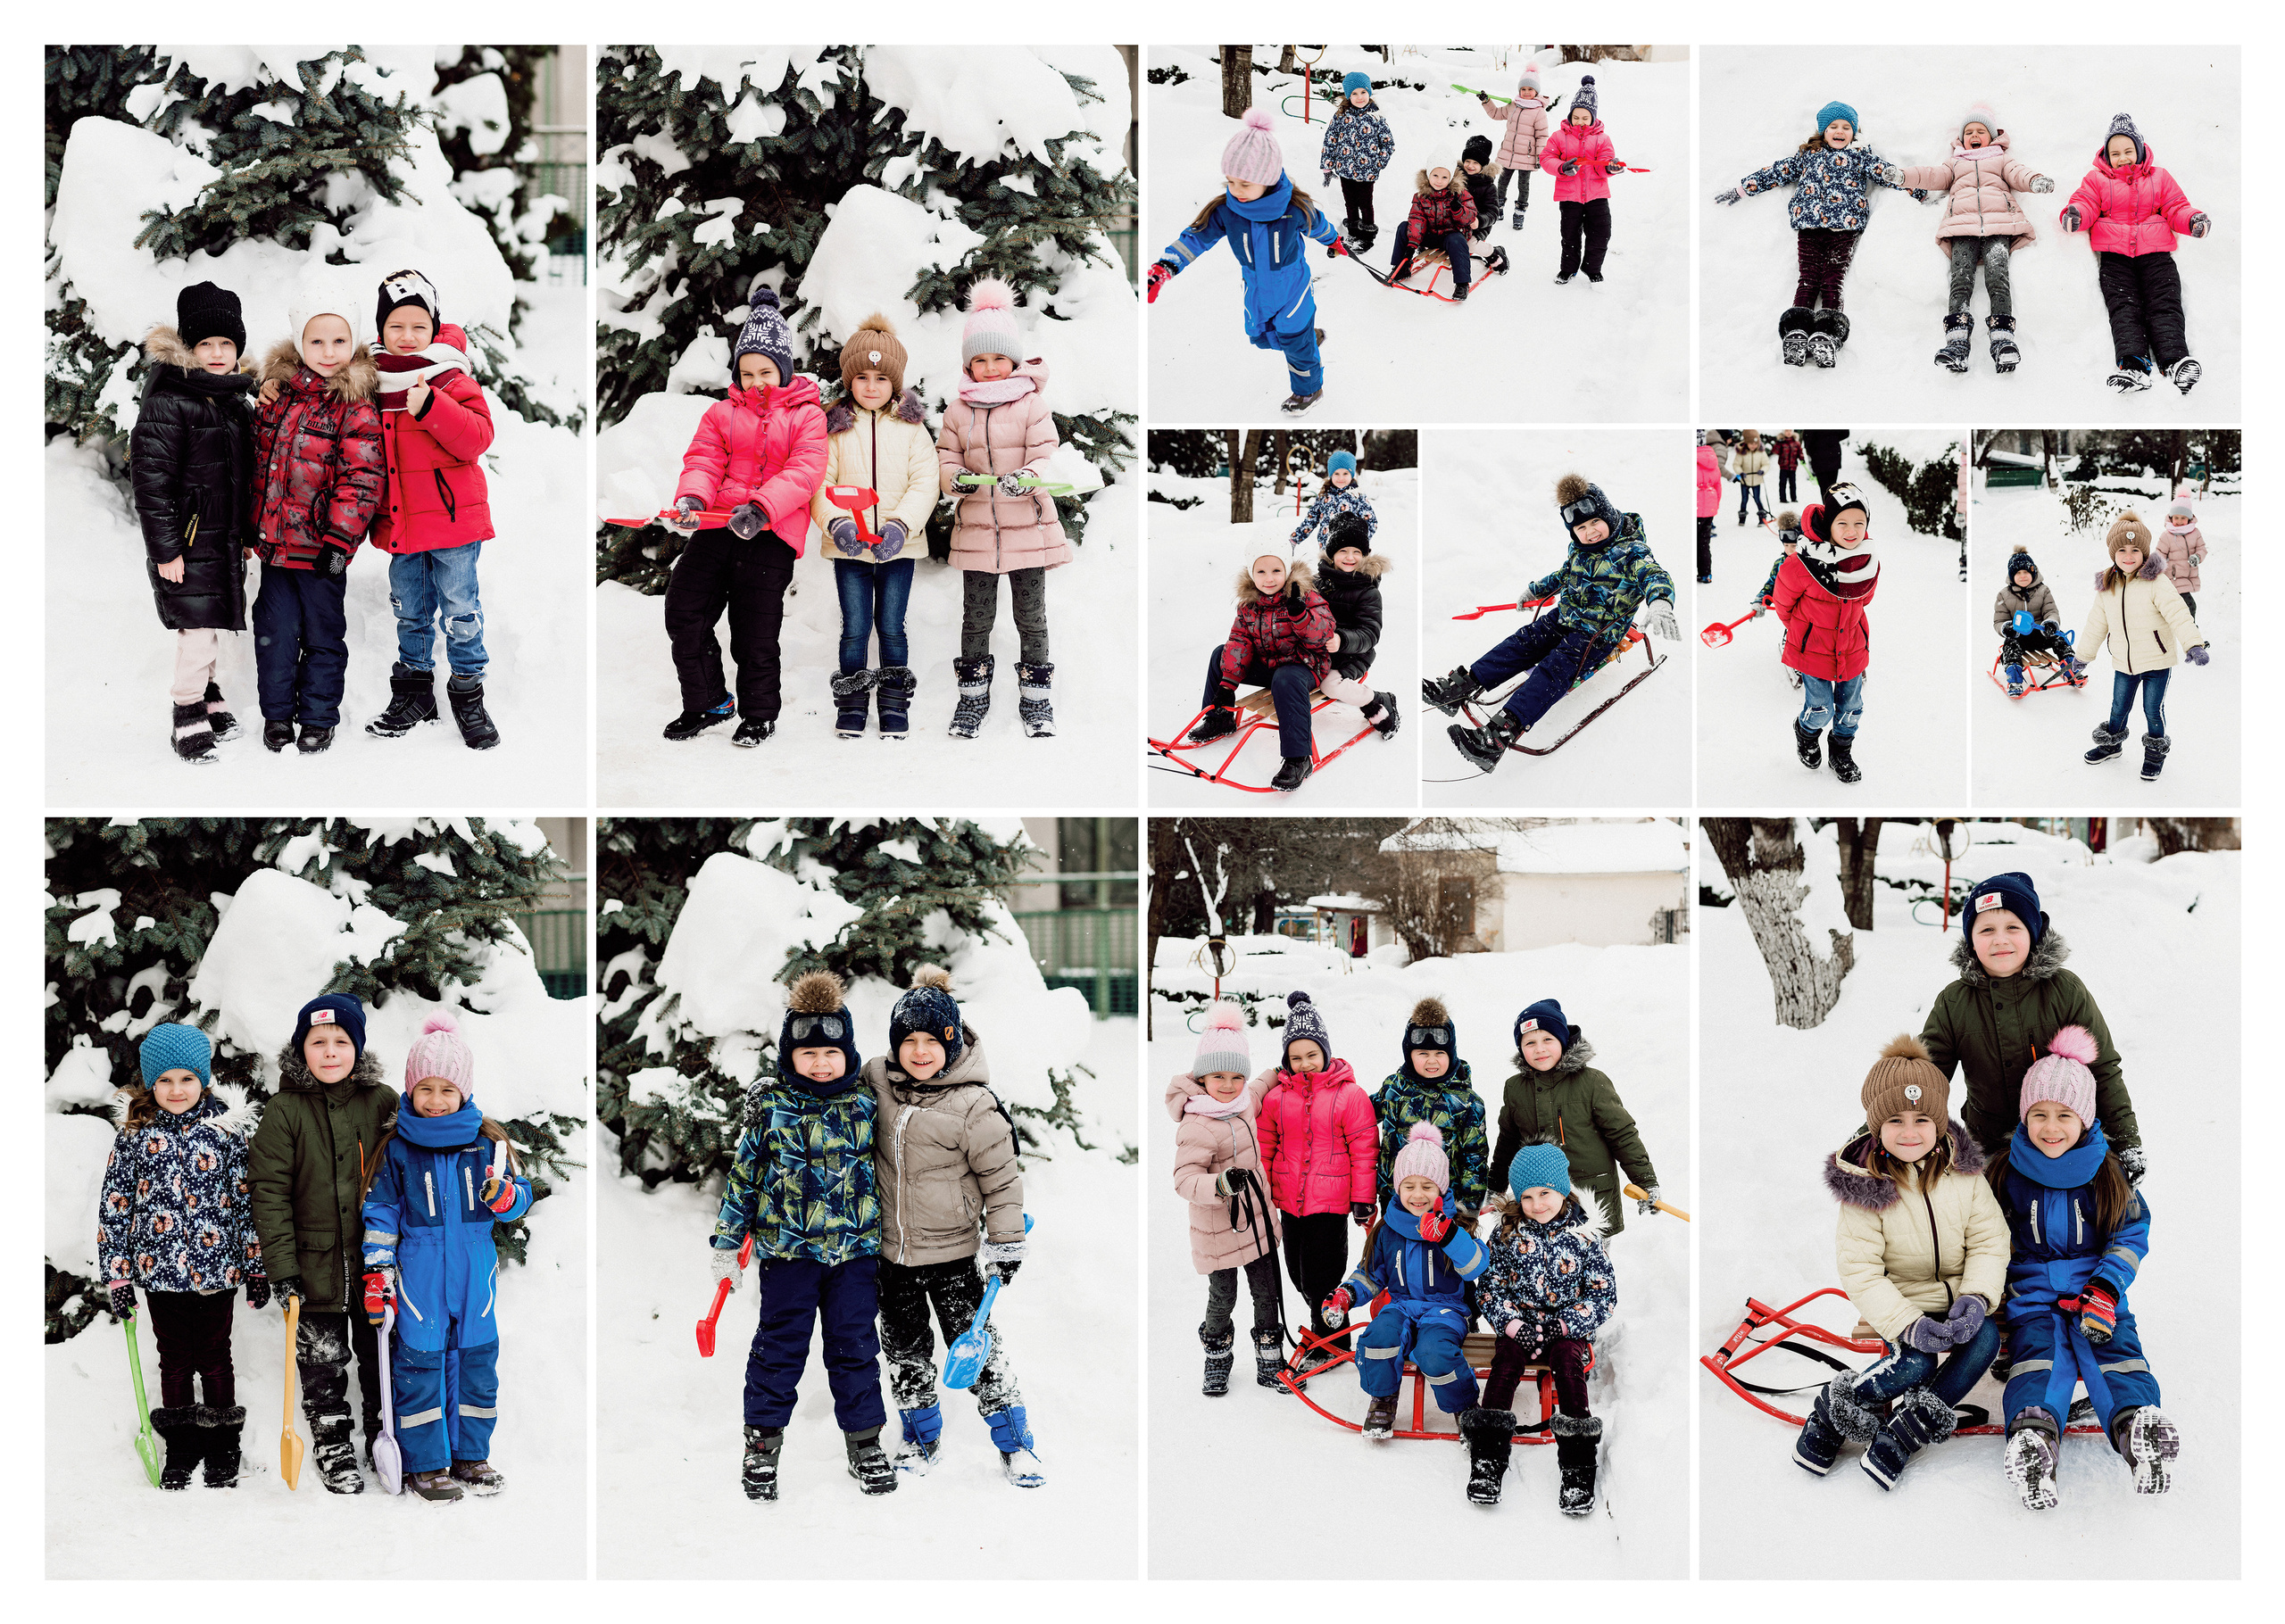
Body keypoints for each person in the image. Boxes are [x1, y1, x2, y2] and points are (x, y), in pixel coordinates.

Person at [710, 973, 894, 1500]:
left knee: (855, 1348)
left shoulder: (866, 1103)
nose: (820, 1063)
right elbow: (745, 1178)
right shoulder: (771, 1108)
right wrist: (727, 1243)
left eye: (830, 1053)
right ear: (789, 1057)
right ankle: (761, 1446)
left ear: (847, 1053)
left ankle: (865, 1444)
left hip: (854, 1255)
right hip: (788, 1256)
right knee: (778, 1349)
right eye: (807, 1053)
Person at [1797, 1035, 2006, 1488]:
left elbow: (1989, 1240)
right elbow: (1861, 1270)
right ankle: (1834, 1412)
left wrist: (1975, 1297)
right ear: (1877, 1126)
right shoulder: (1866, 1186)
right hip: (1901, 1303)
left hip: (1957, 1300)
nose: (1910, 1132)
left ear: (1940, 1122)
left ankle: (1906, 1431)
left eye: (1922, 1119)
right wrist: (1907, 1323)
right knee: (1917, 1364)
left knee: (1986, 1339)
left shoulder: (1965, 1174)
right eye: (1895, 1120)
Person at [860, 966, 1040, 1485]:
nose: (919, 1052)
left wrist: (1006, 1242)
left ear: (952, 1042)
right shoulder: (877, 1081)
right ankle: (920, 1437)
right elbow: (824, 1079)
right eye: (908, 1041)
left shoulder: (974, 1105)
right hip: (892, 1257)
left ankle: (1016, 1444)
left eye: (931, 1041)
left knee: (979, 1354)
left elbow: (1001, 1182)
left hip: (954, 1258)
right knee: (905, 1354)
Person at [1987, 1026, 2178, 1509]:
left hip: (2096, 1292)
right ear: (2024, 1117)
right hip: (2032, 1295)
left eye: (2064, 1115)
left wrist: (2107, 1287)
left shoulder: (2106, 1173)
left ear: (2085, 1118)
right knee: (2039, 1358)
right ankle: (2035, 1441)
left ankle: (2139, 1429)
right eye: (2039, 1114)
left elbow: (2130, 1232)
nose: (2051, 1127)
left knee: (2114, 1351)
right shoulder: (2006, 1173)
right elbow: (1985, 1237)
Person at [359, 1015, 531, 1502]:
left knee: (476, 1362)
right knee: (421, 1362)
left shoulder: (487, 1144)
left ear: (464, 1091)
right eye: (425, 1089)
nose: (435, 1100)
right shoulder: (398, 1150)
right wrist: (378, 1274)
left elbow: (520, 1196)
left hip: (475, 1273)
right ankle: (427, 1463)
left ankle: (470, 1454)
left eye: (447, 1090)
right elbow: (381, 1214)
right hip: (421, 1273)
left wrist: (506, 1197)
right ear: (410, 1090)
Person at [96, 1023, 266, 1488]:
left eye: (187, 1079)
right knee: (173, 1360)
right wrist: (118, 1276)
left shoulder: (226, 1132)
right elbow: (115, 1206)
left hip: (218, 1271)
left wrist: (255, 1267)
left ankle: (223, 1445)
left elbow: (246, 1202)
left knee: (215, 1357)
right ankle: (183, 1446)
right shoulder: (135, 1135)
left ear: (203, 1080)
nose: (176, 1090)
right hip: (160, 1272)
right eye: (165, 1080)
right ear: (151, 1083)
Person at [662, 279, 827, 746]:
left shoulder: (807, 415)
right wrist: (693, 501)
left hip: (770, 533)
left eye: (766, 372)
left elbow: (805, 470)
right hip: (718, 526)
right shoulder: (721, 414)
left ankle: (759, 714)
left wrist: (760, 508)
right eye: (747, 373)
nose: (756, 382)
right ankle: (709, 701)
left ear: (784, 370)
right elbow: (704, 461)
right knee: (684, 611)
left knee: (754, 631)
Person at [1425, 475, 1679, 774]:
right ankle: (1463, 685)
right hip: (1564, 617)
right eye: (1580, 528)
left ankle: (1499, 735)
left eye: (1595, 522)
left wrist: (1661, 601)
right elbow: (1564, 573)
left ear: (1608, 516)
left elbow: (1654, 575)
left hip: (1596, 635)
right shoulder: (1579, 549)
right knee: (1522, 641)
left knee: (1555, 669)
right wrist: (1536, 589)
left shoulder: (1631, 552)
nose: (1590, 532)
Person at [245, 994, 396, 1493]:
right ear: (301, 1050)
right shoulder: (284, 1110)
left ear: (358, 1048)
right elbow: (269, 1193)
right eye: (318, 1042)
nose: (330, 1052)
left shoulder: (382, 1101)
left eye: (341, 1041)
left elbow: (405, 1169)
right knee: (322, 1363)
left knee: (380, 1356)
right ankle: (333, 1445)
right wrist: (283, 1269)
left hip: (374, 1262)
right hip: (312, 1267)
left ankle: (383, 1435)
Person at [1918, 870, 2142, 1173]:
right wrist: (1878, 1131)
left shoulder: (2064, 990)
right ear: (1970, 940)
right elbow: (1924, 1079)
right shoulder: (1955, 1002)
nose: (2000, 939)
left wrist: (2126, 1141)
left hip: (2064, 1144)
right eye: (1986, 930)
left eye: (2013, 927)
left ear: (2033, 932)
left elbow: (2103, 1070)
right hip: (1991, 1147)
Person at [363, 269, 499, 749]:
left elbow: (478, 437)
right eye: (396, 326)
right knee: (410, 612)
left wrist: (432, 407)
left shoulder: (449, 375)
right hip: (401, 522)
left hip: (451, 523)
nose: (407, 336)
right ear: (381, 330)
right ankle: (415, 693)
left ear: (434, 328)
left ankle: (468, 694)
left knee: (461, 612)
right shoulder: (370, 380)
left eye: (419, 326)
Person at [250, 290, 383, 753]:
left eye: (339, 341)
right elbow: (261, 464)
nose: (328, 352)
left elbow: (362, 479)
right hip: (275, 550)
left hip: (324, 553)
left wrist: (339, 543)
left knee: (324, 636)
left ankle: (318, 718)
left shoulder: (355, 406)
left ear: (354, 342)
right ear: (299, 344)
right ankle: (277, 716)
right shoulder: (280, 396)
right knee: (274, 635)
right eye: (317, 342)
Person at [1147, 108, 1349, 415]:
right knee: (1264, 337)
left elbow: (1318, 225)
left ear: (1267, 179)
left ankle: (1309, 390)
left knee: (1294, 341)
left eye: (1245, 183)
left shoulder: (1293, 209)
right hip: (1256, 288)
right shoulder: (1227, 211)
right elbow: (1194, 239)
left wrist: (1333, 241)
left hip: (1292, 288)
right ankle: (1307, 339)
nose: (1236, 190)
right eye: (1231, 181)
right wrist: (1164, 268)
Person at [936, 278, 1068, 740]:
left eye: (998, 358)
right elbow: (946, 457)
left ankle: (1036, 701)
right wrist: (954, 478)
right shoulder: (958, 410)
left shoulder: (1031, 404)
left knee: (1031, 619)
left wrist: (1027, 476)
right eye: (980, 360)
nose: (990, 368)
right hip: (977, 531)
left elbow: (1045, 453)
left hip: (1027, 530)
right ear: (969, 364)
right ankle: (972, 699)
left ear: (1013, 360)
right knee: (976, 620)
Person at [131, 282, 255, 764]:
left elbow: (241, 478)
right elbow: (152, 484)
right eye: (206, 343)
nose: (218, 353)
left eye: (226, 343)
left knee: (211, 621)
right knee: (197, 630)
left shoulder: (233, 400)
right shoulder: (170, 401)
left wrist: (246, 535)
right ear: (189, 346)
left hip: (221, 541)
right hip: (186, 543)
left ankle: (208, 695)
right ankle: (186, 709)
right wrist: (166, 549)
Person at [1470, 1136, 1615, 1512]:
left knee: (1568, 1365)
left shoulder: (1584, 1236)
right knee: (1505, 1364)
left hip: (1566, 1331)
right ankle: (1487, 1459)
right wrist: (1511, 1324)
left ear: (1563, 1190)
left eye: (1545, 1193)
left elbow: (1603, 1295)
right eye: (1527, 1197)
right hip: (1519, 1326)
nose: (1537, 1205)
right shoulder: (1507, 1233)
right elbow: (1490, 1288)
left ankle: (1578, 1465)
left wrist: (1565, 1325)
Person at [1715, 103, 1919, 366]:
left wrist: (1920, 189)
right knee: (1808, 281)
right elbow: (1777, 172)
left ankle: (1828, 335)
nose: (1840, 131)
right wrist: (1743, 189)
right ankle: (1796, 333)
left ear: (1854, 133)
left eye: (1846, 127)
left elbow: (1889, 175)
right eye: (1833, 126)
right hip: (1809, 227)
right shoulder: (1808, 156)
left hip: (1845, 229)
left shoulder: (1861, 157)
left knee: (1833, 281)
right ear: (1823, 131)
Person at [1320, 1123, 1489, 1438]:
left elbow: (1475, 1266)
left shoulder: (1455, 1224)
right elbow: (1371, 1273)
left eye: (1427, 1186)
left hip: (1446, 1310)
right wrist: (1346, 1294)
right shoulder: (1388, 1229)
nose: (1418, 1194)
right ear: (1398, 1188)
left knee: (1434, 1352)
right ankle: (1383, 1398)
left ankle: (1465, 1406)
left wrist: (1450, 1237)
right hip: (1400, 1306)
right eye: (1409, 1186)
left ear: (1441, 1188)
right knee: (1378, 1337)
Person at [812, 313, 935, 738]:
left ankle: (894, 703)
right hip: (850, 550)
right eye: (862, 377)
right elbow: (820, 483)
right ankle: (852, 702)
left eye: (881, 378)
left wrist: (901, 526)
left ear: (894, 384)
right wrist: (838, 524)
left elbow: (925, 482)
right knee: (855, 629)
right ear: (850, 380)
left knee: (891, 628)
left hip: (899, 549)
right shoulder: (834, 429)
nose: (870, 386)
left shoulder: (912, 429)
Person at [1166, 1001, 1284, 1396]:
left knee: (1267, 1292)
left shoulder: (1244, 1102)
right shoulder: (1197, 1124)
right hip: (1219, 1230)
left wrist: (1281, 1069)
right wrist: (1219, 1185)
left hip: (1257, 1223)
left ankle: (1270, 1357)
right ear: (1203, 1076)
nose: (1229, 1085)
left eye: (1237, 1076)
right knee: (1223, 1298)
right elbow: (1184, 1180)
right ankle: (1217, 1358)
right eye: (1218, 1076)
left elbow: (1260, 1087)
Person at [1254, 990, 1375, 1371]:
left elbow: (1364, 1148)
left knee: (1323, 1275)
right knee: (1297, 1272)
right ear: (1286, 1061)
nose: (1305, 1063)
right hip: (1290, 1200)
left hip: (1331, 1203)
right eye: (1296, 1058)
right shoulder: (1276, 1099)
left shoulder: (1350, 1096)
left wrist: (1363, 1199)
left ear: (1325, 1052)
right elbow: (1265, 1145)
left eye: (1312, 1054)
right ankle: (1326, 1331)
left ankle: (1329, 1343)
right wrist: (1261, 1190)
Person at [1892, 105, 2052, 372]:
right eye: (1969, 132)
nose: (1974, 135)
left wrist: (2035, 181)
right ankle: (1957, 343)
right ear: (1962, 138)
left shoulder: (2001, 159)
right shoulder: (1955, 163)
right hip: (1962, 229)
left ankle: (2003, 340)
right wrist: (1903, 176)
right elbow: (1932, 175)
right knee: (1961, 279)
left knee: (1997, 277)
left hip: (1999, 226)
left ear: (1991, 137)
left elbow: (2019, 174)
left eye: (1980, 131)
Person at [2060, 113, 2210, 394]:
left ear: (2140, 151)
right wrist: (2076, 215)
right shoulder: (2097, 179)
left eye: (2128, 151)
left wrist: (2192, 220)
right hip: (2115, 257)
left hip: (2156, 255)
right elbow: (2086, 202)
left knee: (2164, 303)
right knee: (2124, 308)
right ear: (2106, 156)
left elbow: (2176, 206)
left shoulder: (2159, 177)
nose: (2123, 158)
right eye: (2115, 153)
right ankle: (2134, 366)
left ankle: (2175, 362)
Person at [1487, 998, 1662, 1235]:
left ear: (1563, 1040)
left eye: (1548, 1039)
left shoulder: (1591, 1083)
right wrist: (1495, 1188)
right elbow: (1507, 1143)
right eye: (1530, 1043)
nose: (1539, 1049)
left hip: (1590, 1198)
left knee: (1592, 1257)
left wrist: (1646, 1182)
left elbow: (1622, 1135)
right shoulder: (1515, 1089)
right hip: (1541, 1204)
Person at [1186, 544, 1338, 792]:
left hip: (1305, 665)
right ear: (1251, 573)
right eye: (1261, 572)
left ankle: (1298, 759)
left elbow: (1324, 634)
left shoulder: (1305, 595)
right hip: (1272, 666)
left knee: (1285, 678)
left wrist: (1300, 617)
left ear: (1287, 570)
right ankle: (1219, 717)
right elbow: (1240, 642)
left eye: (1276, 571)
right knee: (1220, 654)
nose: (1269, 579)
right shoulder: (1250, 603)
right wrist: (1227, 685)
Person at [2077, 510, 2206, 783]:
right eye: (2122, 550)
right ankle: (2111, 745)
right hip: (2124, 663)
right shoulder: (2107, 585)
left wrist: (2193, 644)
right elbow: (2096, 624)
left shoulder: (2156, 582)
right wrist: (2083, 656)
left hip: (2157, 662)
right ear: (2113, 553)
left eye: (2135, 550)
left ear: (2144, 553)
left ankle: (2155, 754)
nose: (2129, 556)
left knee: (2152, 710)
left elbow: (2178, 613)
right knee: (2118, 707)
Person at [1770, 485, 1879, 783]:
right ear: (1829, 524)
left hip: (1852, 646)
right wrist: (1804, 631)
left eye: (1859, 523)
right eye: (1842, 523)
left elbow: (1865, 600)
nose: (1851, 531)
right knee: (1820, 709)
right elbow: (1783, 604)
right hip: (1813, 649)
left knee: (1851, 709)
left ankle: (1841, 753)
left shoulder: (1868, 562)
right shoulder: (1802, 563)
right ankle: (1806, 733)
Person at [1371, 997, 1487, 1218]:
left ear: (1451, 1054)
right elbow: (1358, 1113)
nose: (1431, 1061)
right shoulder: (1393, 1089)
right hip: (1395, 1199)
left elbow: (1475, 1158)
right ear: (1409, 1055)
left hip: (1444, 1204)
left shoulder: (1467, 1102)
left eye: (1439, 1054)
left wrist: (1469, 1209)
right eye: (1423, 1054)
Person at [1312, 513, 1400, 738]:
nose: (1350, 557)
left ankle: (1376, 699)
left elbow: (1370, 633)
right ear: (1332, 554)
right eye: (1343, 551)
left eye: (1356, 552)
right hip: (1317, 652)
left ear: (1364, 555)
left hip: (1353, 654)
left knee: (1330, 685)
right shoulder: (1317, 583)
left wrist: (1342, 639)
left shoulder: (1367, 591)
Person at [1540, 78, 1624, 285]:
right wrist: (1562, 167)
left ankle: (1592, 268)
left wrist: (1610, 167)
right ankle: (1568, 269)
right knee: (1570, 236)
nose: (1580, 122)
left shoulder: (1602, 139)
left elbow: (1605, 162)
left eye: (1585, 118)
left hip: (1597, 195)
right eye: (1575, 117)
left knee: (1601, 233)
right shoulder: (1559, 137)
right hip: (1570, 196)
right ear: (1570, 116)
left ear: (1593, 117)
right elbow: (1546, 158)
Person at [1319, 70, 1395, 251]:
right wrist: (1328, 166)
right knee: (1350, 203)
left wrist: (1378, 164)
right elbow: (1330, 140)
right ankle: (1353, 232)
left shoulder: (1376, 117)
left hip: (1367, 172)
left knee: (1365, 204)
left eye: (1363, 92)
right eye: (1354, 93)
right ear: (1348, 96)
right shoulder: (1341, 116)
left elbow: (1388, 144)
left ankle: (1367, 237)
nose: (1359, 97)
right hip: (1345, 170)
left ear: (1369, 92)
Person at [1993, 550, 2081, 696]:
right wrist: (2006, 628)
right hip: (2019, 637)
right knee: (2010, 646)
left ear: (2033, 572)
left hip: (2041, 634)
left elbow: (2051, 610)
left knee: (2060, 638)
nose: (2022, 576)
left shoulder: (2043, 591)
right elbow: (1999, 620)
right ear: (2012, 576)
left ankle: (2072, 669)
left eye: (2026, 572)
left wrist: (2051, 623)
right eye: (2018, 573)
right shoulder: (2004, 595)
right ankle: (2014, 680)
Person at [1479, 62, 1553, 229]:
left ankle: (1519, 213)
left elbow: (1542, 135)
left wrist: (1540, 156)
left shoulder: (1539, 111)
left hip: (1527, 157)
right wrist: (1487, 102)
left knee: (1523, 186)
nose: (1526, 92)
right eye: (1523, 89)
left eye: (1530, 89)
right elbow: (1496, 114)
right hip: (1508, 154)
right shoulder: (1513, 105)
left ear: (1536, 92)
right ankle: (1497, 208)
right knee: (1502, 182)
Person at [1391, 164, 1481, 302]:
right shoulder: (1421, 196)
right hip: (1430, 235)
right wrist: (1411, 246)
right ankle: (1401, 267)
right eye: (1435, 176)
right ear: (1428, 175)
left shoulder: (1460, 194)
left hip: (1450, 237)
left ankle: (1462, 283)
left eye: (1444, 177)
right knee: (1404, 227)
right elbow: (1417, 219)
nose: (1439, 181)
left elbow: (1471, 217)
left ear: (1451, 178)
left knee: (1457, 239)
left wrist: (1458, 210)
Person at [1290, 450, 1376, 551]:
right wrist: (1295, 539)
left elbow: (1371, 522)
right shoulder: (1324, 496)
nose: (1341, 478)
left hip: (1348, 552)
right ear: (1331, 475)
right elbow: (1311, 519)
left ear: (1351, 475)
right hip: (1326, 550)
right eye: (1336, 473)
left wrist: (1359, 542)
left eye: (1345, 473)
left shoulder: (1357, 496)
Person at [2150, 493, 2206, 617]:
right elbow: (2159, 555)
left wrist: (2197, 557)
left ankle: (2188, 628)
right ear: (2171, 518)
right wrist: (2152, 572)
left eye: (2183, 518)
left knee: (2188, 607)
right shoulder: (2167, 536)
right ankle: (2186, 627)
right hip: (2172, 579)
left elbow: (2202, 548)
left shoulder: (2195, 533)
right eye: (2176, 518)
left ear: (2189, 518)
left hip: (2187, 578)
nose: (2179, 521)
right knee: (2187, 606)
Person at [1458, 138, 1500, 244]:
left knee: (1468, 245)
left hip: (1477, 228)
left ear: (1483, 165)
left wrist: (1479, 221)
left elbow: (1493, 212)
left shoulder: (1489, 187)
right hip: (1455, 224)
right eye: (1467, 161)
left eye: (1475, 163)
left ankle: (1493, 252)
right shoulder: (1456, 179)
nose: (1470, 166)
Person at [1801, 427, 1849, 507]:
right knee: (1832, 486)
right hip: (1833, 455)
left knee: (1825, 488)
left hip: (1818, 456)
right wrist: (1832, 439)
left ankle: (1828, 508)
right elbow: (1845, 433)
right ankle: (1832, 508)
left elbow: (1807, 438)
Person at [1733, 429, 1772, 527]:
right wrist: (1740, 472)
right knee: (1744, 500)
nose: (1753, 446)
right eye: (1751, 443)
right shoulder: (1741, 452)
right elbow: (1736, 464)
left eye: (1755, 443)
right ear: (1746, 443)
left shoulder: (1761, 452)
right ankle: (1742, 518)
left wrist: (1762, 470)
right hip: (1745, 480)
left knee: (1757, 499)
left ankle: (1762, 518)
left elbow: (1766, 464)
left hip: (1756, 480)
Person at [1773, 429, 1803, 503]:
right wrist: (1778, 443)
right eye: (1786, 431)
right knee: (1783, 483)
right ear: (1784, 433)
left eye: (1790, 431)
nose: (1788, 433)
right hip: (1783, 466)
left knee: (1793, 484)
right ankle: (1782, 498)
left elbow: (1800, 452)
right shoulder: (1781, 443)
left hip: (1793, 466)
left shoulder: (1796, 443)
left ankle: (1794, 498)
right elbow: (1775, 451)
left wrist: (1802, 458)